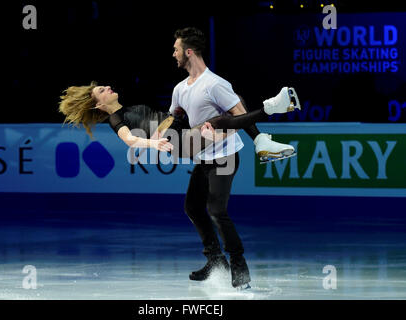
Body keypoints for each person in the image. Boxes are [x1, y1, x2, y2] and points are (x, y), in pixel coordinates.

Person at [169, 27, 300, 289]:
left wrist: (229, 136)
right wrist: (171, 136)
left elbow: (239, 115)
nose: (173, 54)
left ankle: (239, 267)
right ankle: (215, 260)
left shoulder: (215, 84)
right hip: (202, 157)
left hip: (225, 156)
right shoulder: (180, 89)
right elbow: (176, 118)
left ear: (189, 52)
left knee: (216, 210)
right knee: (192, 207)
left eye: (176, 49)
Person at [58, 82, 299, 163]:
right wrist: (152, 145)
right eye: (102, 90)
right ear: (99, 104)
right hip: (179, 143)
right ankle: (271, 109)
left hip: (182, 130)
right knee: (218, 122)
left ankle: (260, 141)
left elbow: (166, 119)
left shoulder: (129, 109)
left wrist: (179, 112)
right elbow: (130, 140)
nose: (108, 87)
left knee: (233, 101)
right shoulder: (115, 118)